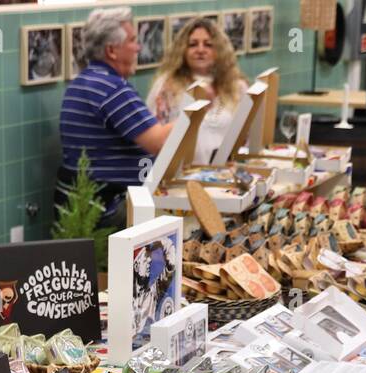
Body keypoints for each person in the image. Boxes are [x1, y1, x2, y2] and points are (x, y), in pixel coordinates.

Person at [57, 7, 174, 226]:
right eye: (132, 40)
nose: (138, 47)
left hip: (83, 205)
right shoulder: (112, 89)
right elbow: (158, 142)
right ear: (112, 50)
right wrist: (196, 112)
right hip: (108, 209)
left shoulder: (84, 81)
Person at [146, 17, 249, 165]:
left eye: (208, 45)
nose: (200, 50)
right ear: (183, 50)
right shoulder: (166, 87)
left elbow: (246, 137)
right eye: (193, 45)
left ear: (218, 50)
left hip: (224, 174)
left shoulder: (236, 86)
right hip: (180, 175)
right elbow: (154, 137)